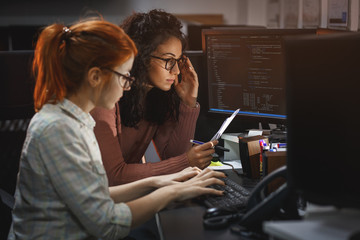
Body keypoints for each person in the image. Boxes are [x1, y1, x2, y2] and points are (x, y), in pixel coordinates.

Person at [8, 18, 225, 240]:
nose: (128, 85)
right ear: (95, 77)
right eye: (123, 76)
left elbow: (96, 194)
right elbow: (107, 223)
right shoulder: (59, 131)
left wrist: (159, 182)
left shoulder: (77, 121)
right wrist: (173, 191)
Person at [91, 9, 216, 186]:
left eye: (178, 61)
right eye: (168, 60)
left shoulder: (158, 96)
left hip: (127, 196)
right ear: (141, 56)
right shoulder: (106, 99)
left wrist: (188, 103)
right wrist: (186, 162)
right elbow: (113, 176)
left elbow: (172, 158)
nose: (176, 71)